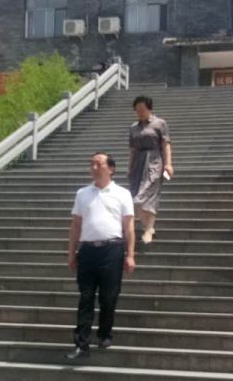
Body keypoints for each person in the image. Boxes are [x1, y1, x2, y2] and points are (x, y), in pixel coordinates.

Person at [65, 153, 136, 361]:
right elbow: (76, 225)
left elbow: (129, 226)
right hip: (88, 251)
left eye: (99, 164)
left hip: (112, 250)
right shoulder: (82, 193)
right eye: (92, 164)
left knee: (109, 296)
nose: (94, 167)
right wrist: (71, 253)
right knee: (85, 298)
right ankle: (81, 344)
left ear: (111, 169)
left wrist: (130, 254)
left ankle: (104, 333)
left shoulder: (122, 194)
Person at [127, 95, 173, 246]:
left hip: (154, 161)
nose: (139, 113)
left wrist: (168, 164)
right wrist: (130, 167)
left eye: (142, 109)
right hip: (138, 163)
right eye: (137, 110)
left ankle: (148, 230)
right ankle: (149, 227)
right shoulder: (133, 127)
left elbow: (165, 144)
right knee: (135, 198)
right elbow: (132, 149)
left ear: (149, 108)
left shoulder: (160, 124)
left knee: (148, 196)